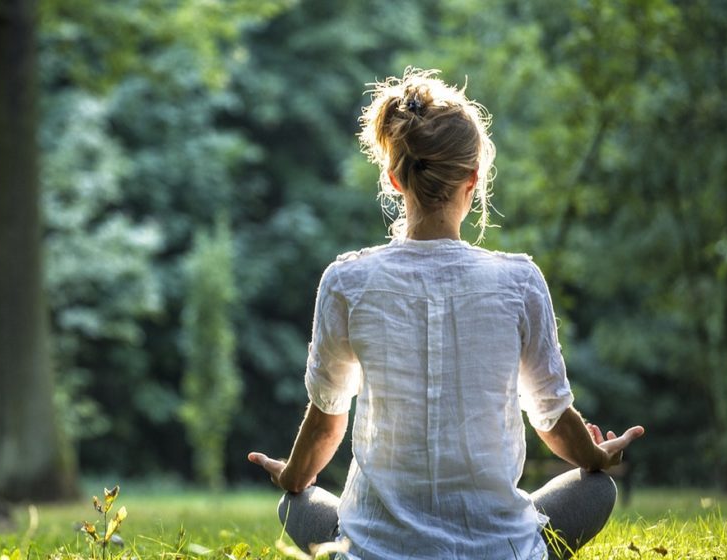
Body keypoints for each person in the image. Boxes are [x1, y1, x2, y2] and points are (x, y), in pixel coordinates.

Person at [246, 68, 645, 560]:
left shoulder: (347, 280)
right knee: (598, 489)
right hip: (498, 551)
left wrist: (290, 474)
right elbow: (552, 419)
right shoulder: (519, 281)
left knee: (295, 502)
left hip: (376, 552)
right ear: (473, 179)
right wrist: (594, 455)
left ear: (394, 179)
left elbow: (328, 422)